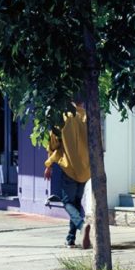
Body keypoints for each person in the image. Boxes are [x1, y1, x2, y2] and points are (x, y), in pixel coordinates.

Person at [43, 103, 91, 249]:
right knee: (76, 203)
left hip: (69, 168)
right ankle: (71, 239)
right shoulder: (87, 116)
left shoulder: (62, 117)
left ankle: (82, 227)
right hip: (85, 169)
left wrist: (49, 163)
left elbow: (54, 144)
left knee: (67, 202)